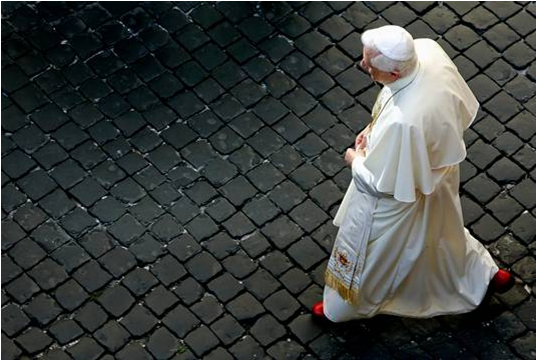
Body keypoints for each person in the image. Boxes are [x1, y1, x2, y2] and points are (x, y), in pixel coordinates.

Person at [312, 25, 514, 322]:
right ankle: (481, 276)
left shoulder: (402, 124)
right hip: (439, 172)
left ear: (393, 75)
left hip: (401, 195)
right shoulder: (427, 50)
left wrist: (354, 159)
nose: (362, 65)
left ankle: (342, 309)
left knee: (376, 254)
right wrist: (372, 130)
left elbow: (381, 186)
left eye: (369, 64)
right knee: (444, 232)